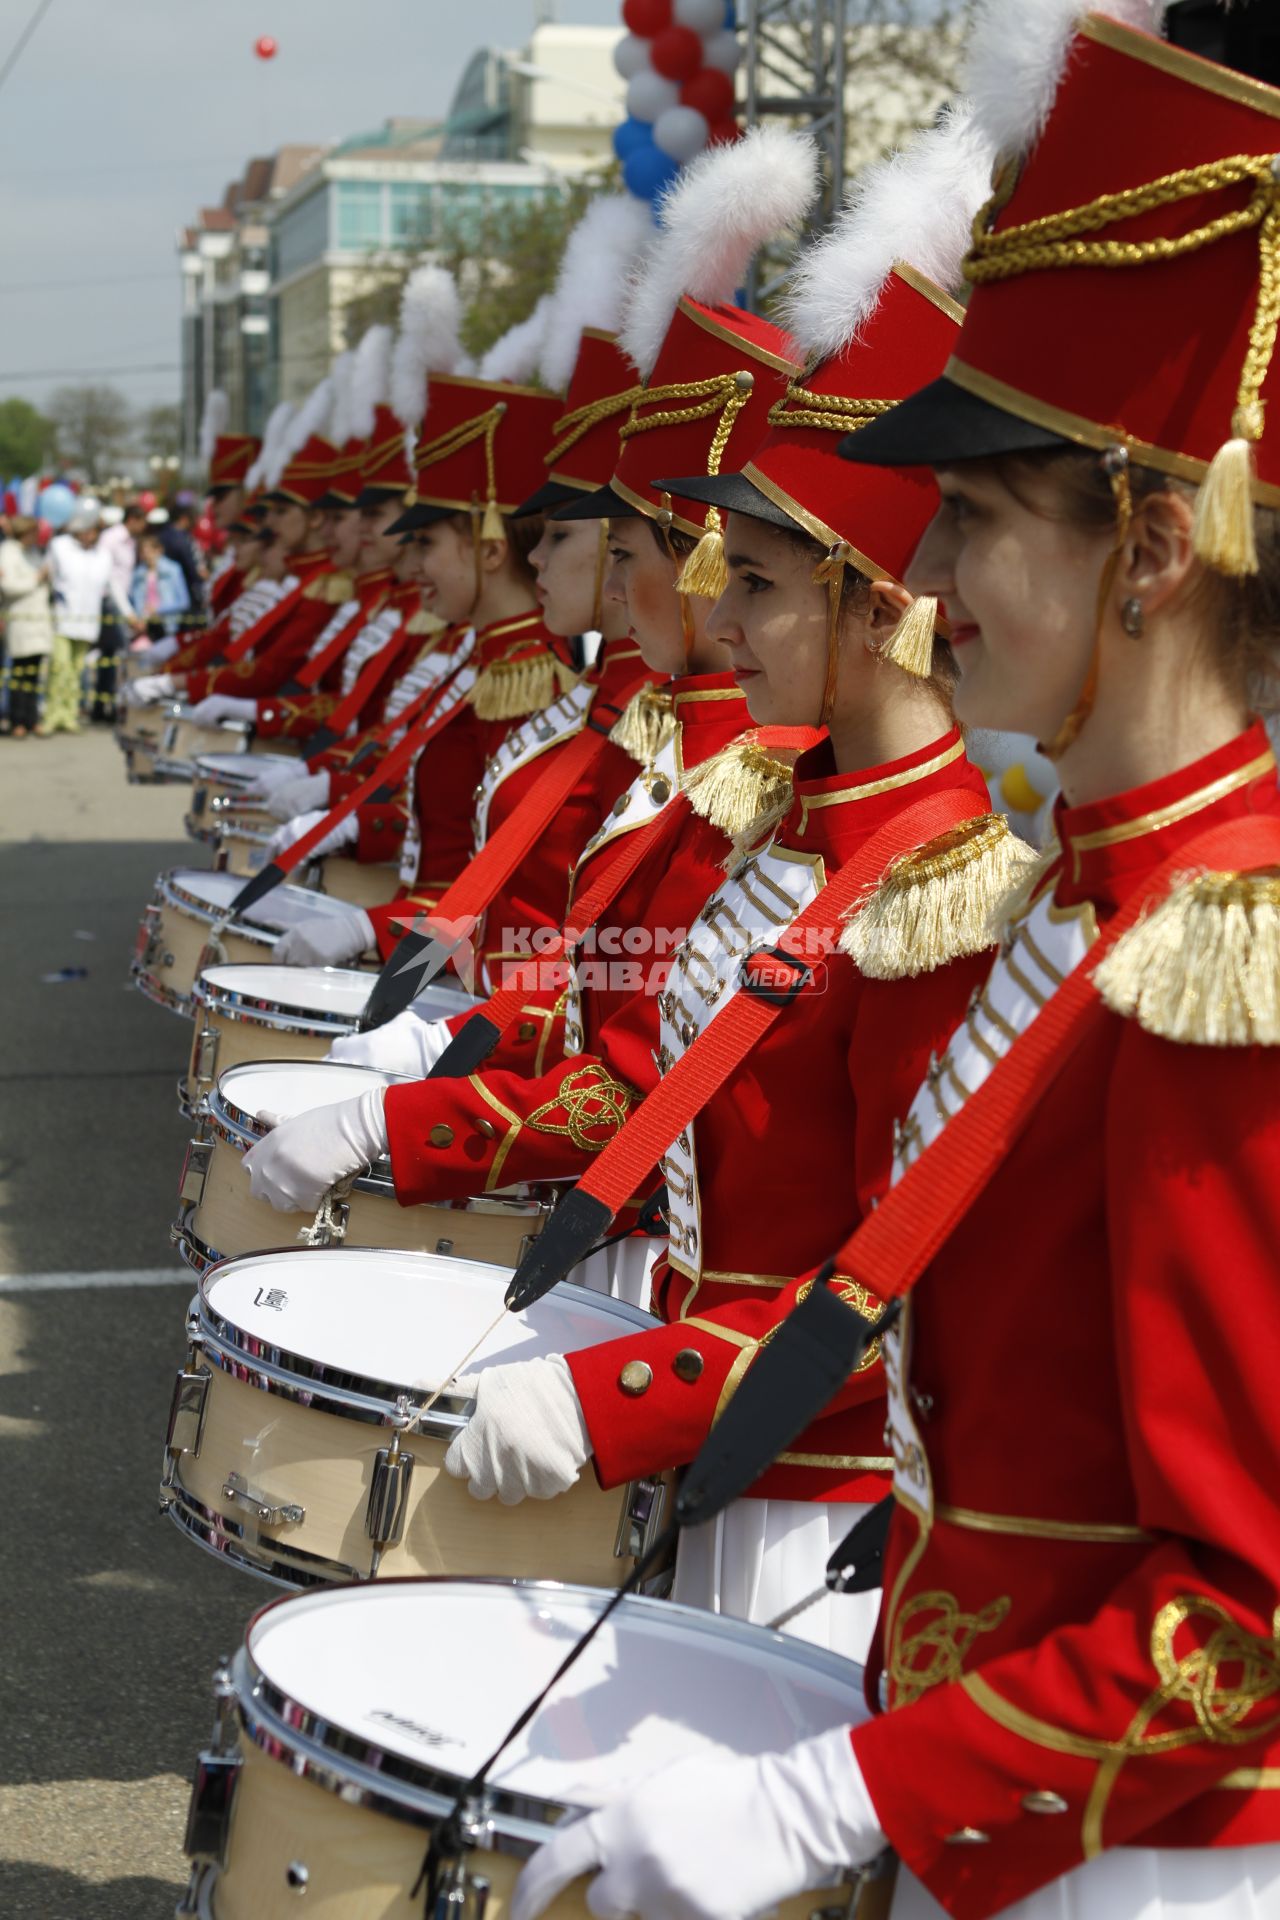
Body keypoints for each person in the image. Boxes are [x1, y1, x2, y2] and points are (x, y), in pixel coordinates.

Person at [511, 8, 1280, 1920]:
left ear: (1158, 547)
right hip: (970, 1797)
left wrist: (846, 1799)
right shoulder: (1082, 909)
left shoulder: (1226, 967)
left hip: (1139, 1870)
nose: (921, 582)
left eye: (978, 520)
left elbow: (1247, 1613)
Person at [44, 509, 127, 734]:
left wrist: (129, 613)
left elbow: (114, 587)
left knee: (76, 670)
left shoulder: (102, 556)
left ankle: (69, 714)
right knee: (59, 668)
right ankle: (53, 714)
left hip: (88, 623)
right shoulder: (60, 546)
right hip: (63, 620)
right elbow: (50, 576)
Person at [0, 516, 54, 737]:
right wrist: (36, 578)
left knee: (34, 674)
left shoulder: (33, 552)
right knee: (20, 673)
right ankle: (17, 720)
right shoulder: (7, 552)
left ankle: (32, 719)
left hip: (38, 619)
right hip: (21, 619)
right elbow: (8, 586)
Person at [129, 527, 190, 641]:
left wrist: (158, 609)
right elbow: (135, 600)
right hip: (146, 626)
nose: (146, 555)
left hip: (168, 625)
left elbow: (184, 602)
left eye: (149, 551)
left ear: (159, 550)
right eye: (143, 552)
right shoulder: (138, 574)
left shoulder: (173, 569)